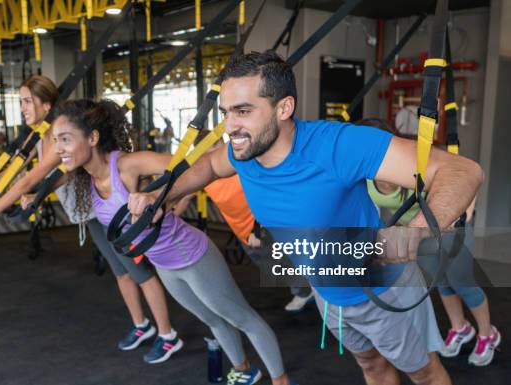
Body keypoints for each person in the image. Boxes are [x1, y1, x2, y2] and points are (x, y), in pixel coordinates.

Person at [128, 51, 484, 385]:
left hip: (381, 287)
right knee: (370, 364)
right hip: (329, 291)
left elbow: (462, 171)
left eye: (243, 111)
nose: (230, 126)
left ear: (284, 107)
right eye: (225, 112)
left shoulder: (337, 145)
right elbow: (207, 165)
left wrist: (416, 232)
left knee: (424, 374)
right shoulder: (244, 151)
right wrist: (162, 196)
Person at [50, 98, 296, 385]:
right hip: (164, 264)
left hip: (192, 255)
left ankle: (282, 381)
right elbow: (36, 179)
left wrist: (163, 199)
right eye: (55, 141)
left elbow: (188, 168)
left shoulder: (128, 165)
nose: (58, 149)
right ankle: (244, 371)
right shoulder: (84, 180)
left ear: (92, 138)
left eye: (65, 140)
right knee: (212, 321)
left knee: (242, 318)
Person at [0, 75, 180, 364]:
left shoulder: (59, 134)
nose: (23, 108)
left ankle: (168, 336)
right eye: (21, 102)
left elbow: (27, 180)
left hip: (113, 213)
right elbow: (22, 176)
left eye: (28, 101)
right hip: (94, 215)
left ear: (46, 104)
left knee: (141, 274)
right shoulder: (39, 138)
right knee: (122, 273)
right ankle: (142, 325)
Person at [360, 118, 500, 367]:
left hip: (451, 228)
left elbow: (467, 172)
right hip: (420, 234)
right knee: (441, 282)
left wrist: (465, 214)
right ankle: (460, 328)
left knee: (463, 284)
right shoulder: (365, 175)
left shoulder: (416, 163)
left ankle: (488, 334)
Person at [173, 133, 315, 313]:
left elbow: (265, 192)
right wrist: (166, 219)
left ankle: (310, 291)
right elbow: (185, 197)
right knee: (272, 266)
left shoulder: (240, 164)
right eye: (211, 149)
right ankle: (305, 288)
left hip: (263, 224)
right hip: (242, 231)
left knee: (288, 259)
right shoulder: (206, 173)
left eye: (218, 145)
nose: (218, 151)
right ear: (201, 153)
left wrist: (258, 227)